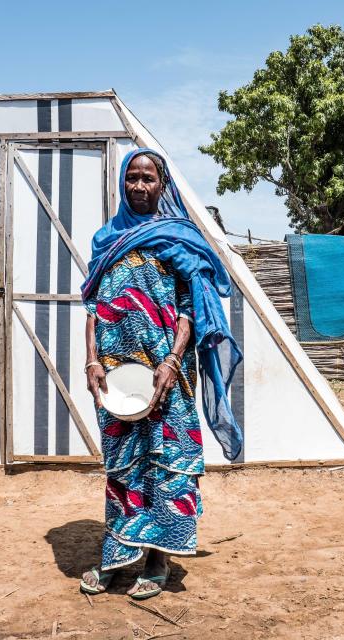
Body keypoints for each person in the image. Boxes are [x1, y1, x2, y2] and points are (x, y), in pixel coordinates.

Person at [78, 148, 243, 600]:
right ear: (122, 183)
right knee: (122, 467)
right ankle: (118, 555)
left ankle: (159, 557)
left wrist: (172, 359)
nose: (139, 185)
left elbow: (191, 308)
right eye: (132, 177)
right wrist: (92, 360)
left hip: (167, 375)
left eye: (148, 178)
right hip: (115, 375)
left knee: (166, 465)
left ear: (162, 185)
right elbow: (92, 305)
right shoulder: (104, 239)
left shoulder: (179, 238)